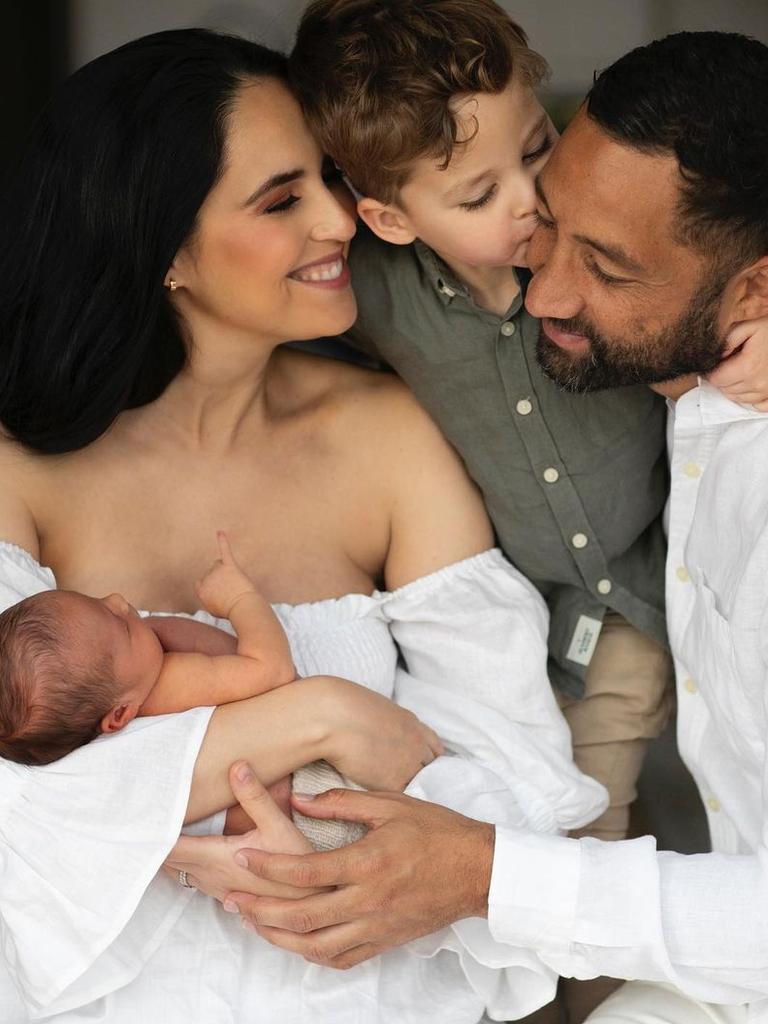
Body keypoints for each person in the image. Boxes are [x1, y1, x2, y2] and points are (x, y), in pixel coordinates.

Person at [0, 27, 606, 1023]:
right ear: (164, 250)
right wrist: (326, 718)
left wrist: (151, 806)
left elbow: (524, 789)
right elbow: (15, 812)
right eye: (282, 200)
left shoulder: (389, 438)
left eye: (329, 180)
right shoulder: (21, 467)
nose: (340, 220)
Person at [229, 29, 768, 1024]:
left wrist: (488, 876)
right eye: (547, 221)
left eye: (605, 264)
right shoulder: (702, 374)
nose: (546, 290)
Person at [289, 0, 674, 851]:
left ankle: (598, 977)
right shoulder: (374, 293)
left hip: (633, 600)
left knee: (592, 827)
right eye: (477, 194)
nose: (532, 198)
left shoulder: (615, 241)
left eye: (538, 149)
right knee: (520, 809)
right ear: (391, 219)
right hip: (497, 629)